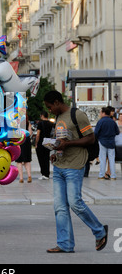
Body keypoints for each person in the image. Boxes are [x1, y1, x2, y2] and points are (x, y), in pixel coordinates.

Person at [43, 90, 108, 253]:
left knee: (75, 203)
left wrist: (68, 145)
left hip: (75, 165)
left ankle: (100, 231)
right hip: (60, 166)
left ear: (57, 102)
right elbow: (62, 139)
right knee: (59, 207)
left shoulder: (77, 115)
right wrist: (55, 152)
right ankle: (65, 244)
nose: (49, 110)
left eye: (50, 107)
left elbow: (91, 138)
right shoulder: (58, 117)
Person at [94, 107, 120, 180]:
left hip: (102, 141)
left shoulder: (101, 121)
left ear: (104, 113)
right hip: (111, 142)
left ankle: (101, 175)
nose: (100, 114)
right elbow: (117, 132)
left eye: (100, 112)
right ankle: (113, 176)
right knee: (111, 159)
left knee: (102, 159)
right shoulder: (113, 121)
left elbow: (96, 132)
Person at [35, 111, 54, 180]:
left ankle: (44, 174)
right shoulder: (51, 123)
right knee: (46, 158)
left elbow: (38, 134)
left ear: (42, 115)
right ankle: (47, 174)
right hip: (48, 143)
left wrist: (36, 143)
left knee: (41, 159)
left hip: (41, 143)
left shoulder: (40, 123)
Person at [16, 114, 32, 183]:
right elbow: (30, 132)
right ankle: (29, 175)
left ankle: (21, 178)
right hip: (27, 141)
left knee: (19, 160)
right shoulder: (28, 122)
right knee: (27, 160)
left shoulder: (16, 122)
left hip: (19, 141)